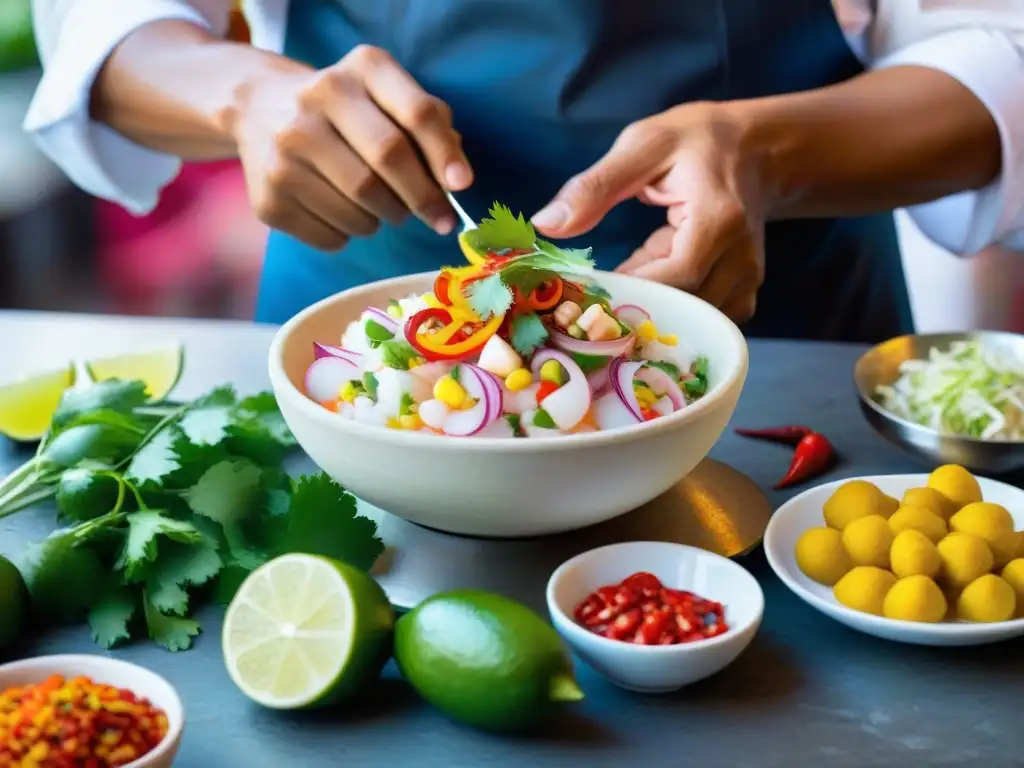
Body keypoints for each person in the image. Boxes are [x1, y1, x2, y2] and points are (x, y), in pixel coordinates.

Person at [25, 1, 1024, 342]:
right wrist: (240, 95)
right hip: (367, 342)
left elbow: (999, 48)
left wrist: (763, 156)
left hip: (776, 339)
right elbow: (103, 26)